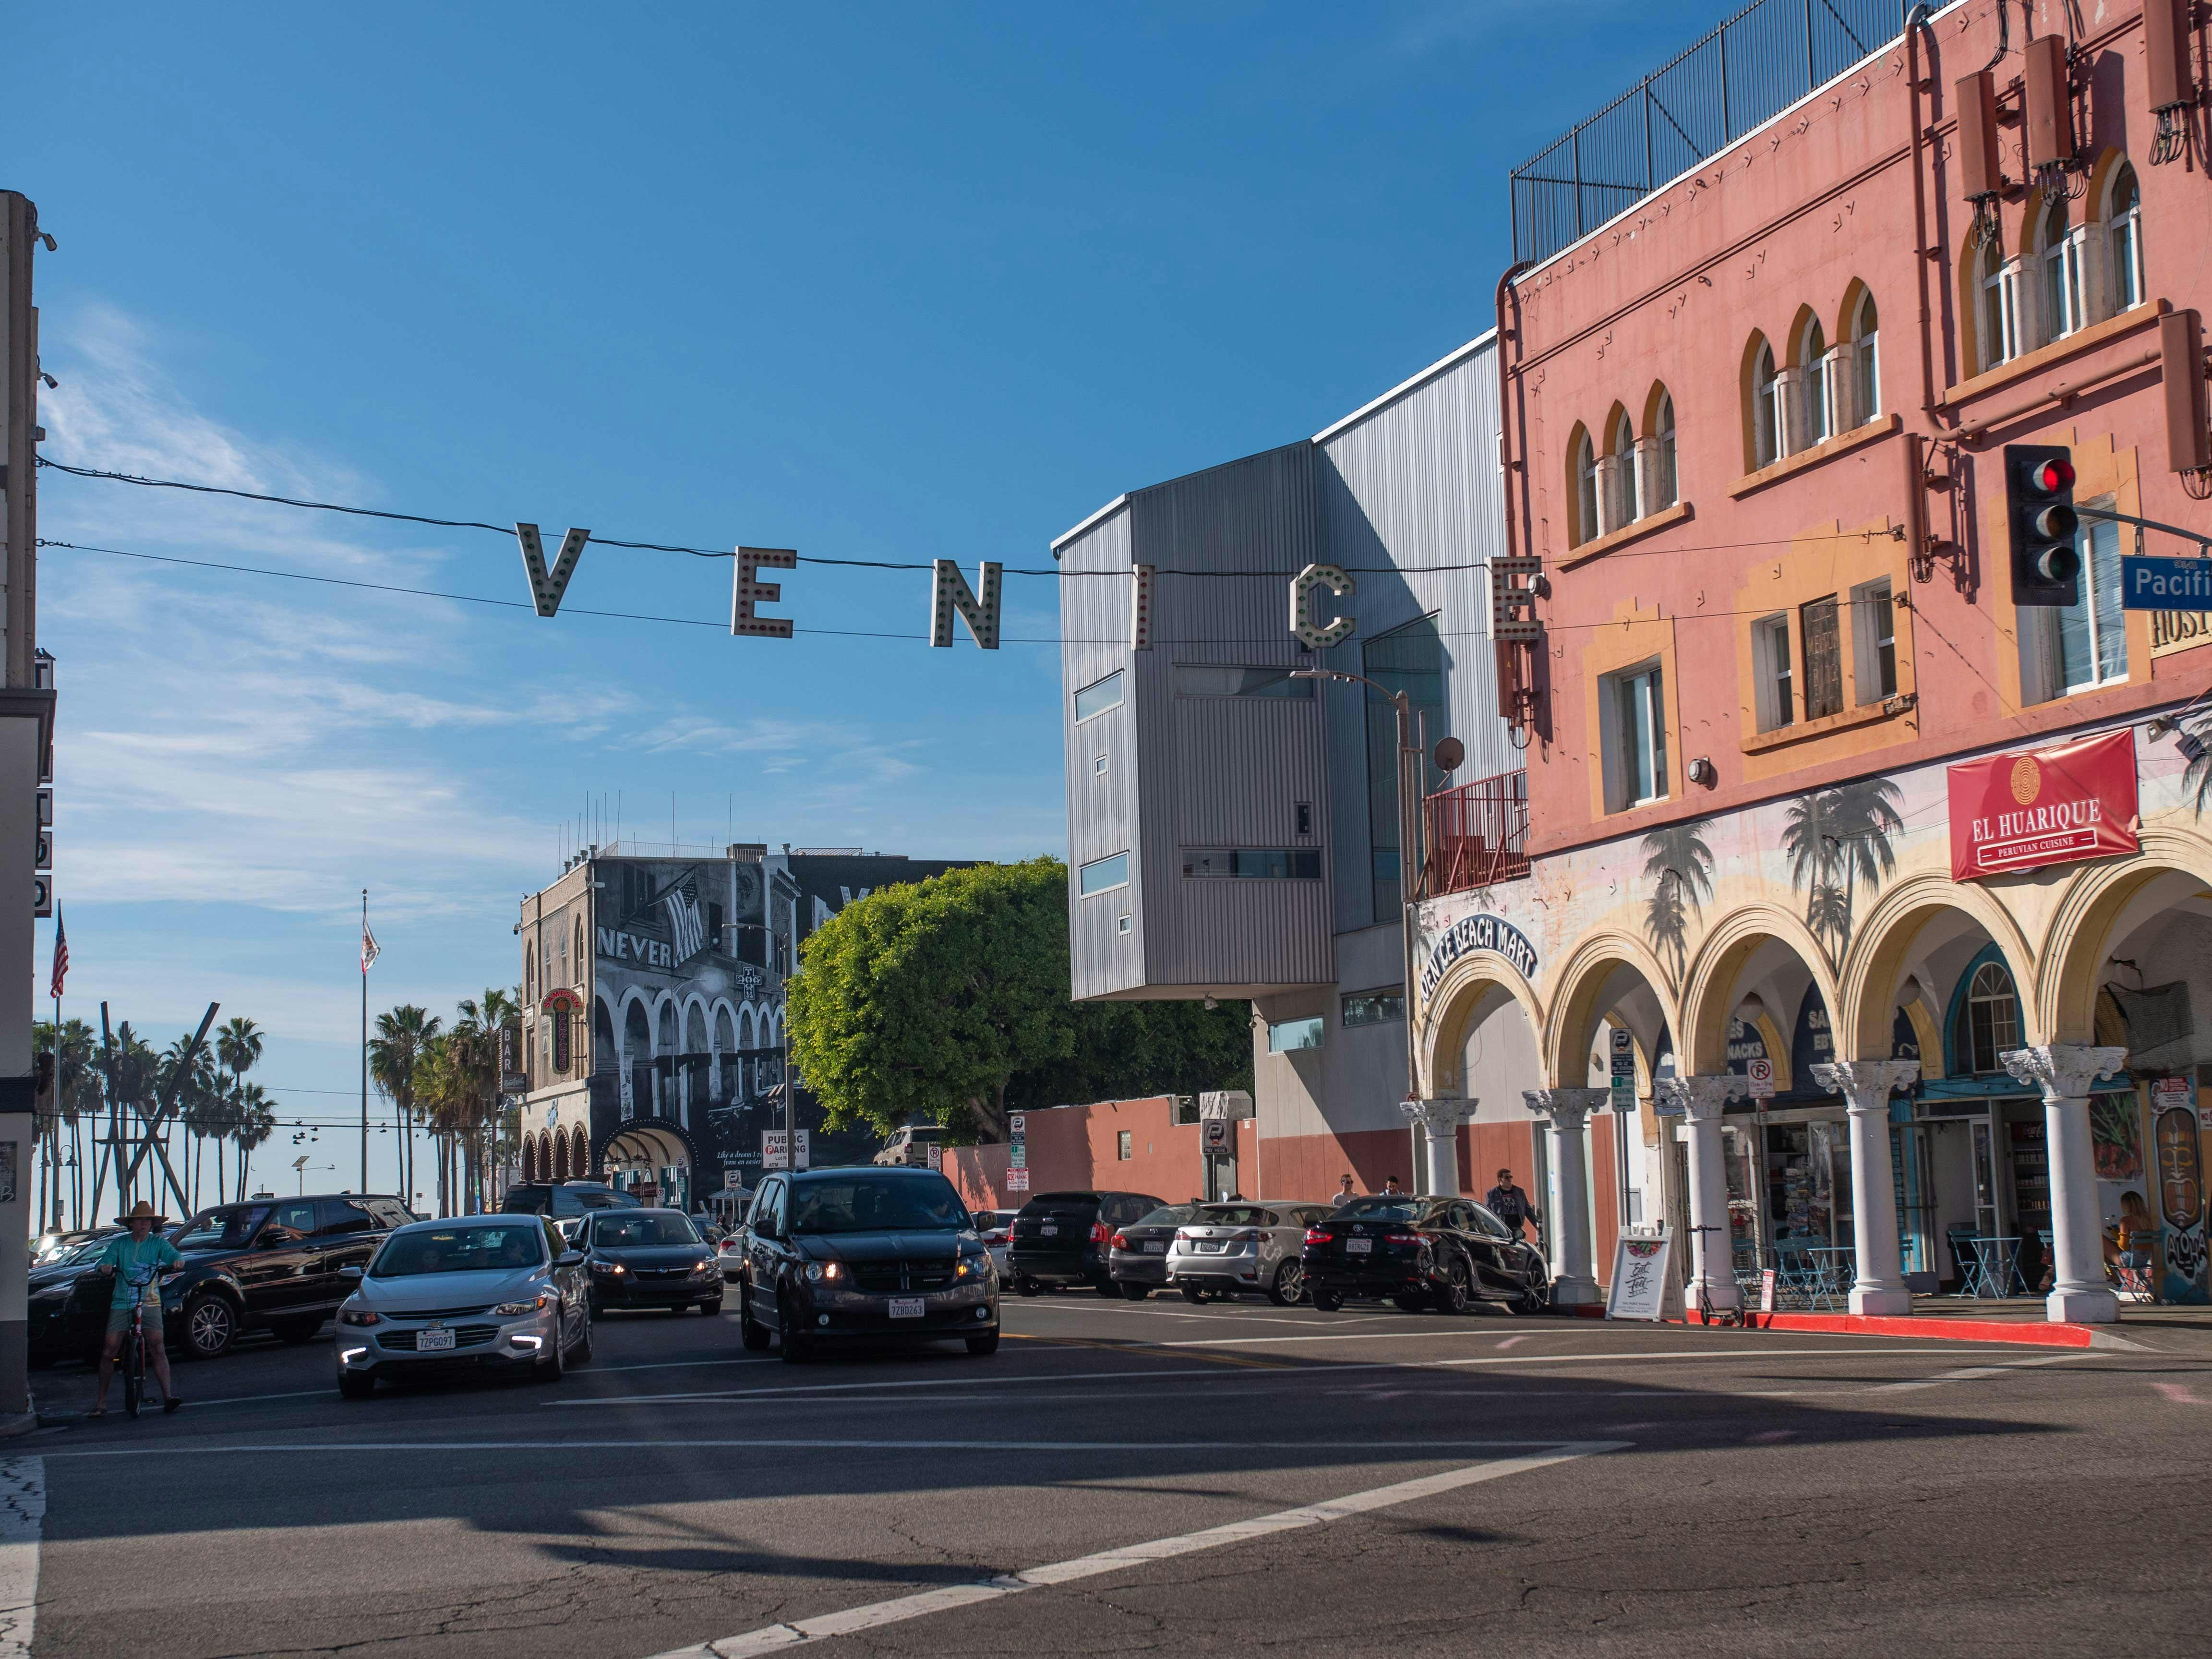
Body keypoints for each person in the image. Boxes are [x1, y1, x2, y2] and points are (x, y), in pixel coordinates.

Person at [91, 1201, 183, 1417]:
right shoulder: (120, 1244)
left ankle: (168, 1396)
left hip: (150, 1300)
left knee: (157, 1345)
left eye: (147, 1220)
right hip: (122, 1301)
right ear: (131, 1224)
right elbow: (104, 1261)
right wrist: (104, 1267)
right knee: (109, 1350)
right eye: (139, 1220)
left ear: (152, 1224)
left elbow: (174, 1256)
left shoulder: (157, 1243)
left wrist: (178, 1262)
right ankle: (101, 1402)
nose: (143, 1224)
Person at [1485, 1168, 1541, 1240]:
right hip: (1501, 1228)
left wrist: (1537, 1225)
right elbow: (1487, 1212)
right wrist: (1488, 1228)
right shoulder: (1492, 1194)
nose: (1509, 1180)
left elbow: (1528, 1210)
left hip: (1517, 1227)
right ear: (1500, 1180)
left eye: (1511, 1177)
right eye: (1507, 1178)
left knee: (1519, 1246)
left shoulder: (1519, 1192)